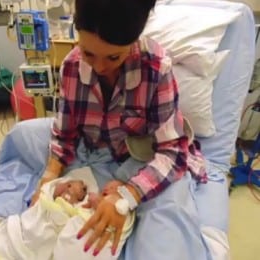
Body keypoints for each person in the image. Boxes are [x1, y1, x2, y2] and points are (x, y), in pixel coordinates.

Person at [29, 0, 210, 259]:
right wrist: (48, 178)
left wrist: (127, 194)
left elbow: (171, 151)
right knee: (19, 136)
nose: (99, 67)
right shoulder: (71, 67)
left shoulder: (157, 69)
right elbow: (64, 134)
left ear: (134, 40)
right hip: (90, 149)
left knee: (168, 223)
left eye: (113, 57)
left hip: (141, 157)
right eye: (88, 53)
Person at [0, 167, 135, 260]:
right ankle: (13, 242)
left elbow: (76, 220)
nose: (106, 188)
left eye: (113, 189)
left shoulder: (103, 203)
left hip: (74, 237)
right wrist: (63, 188)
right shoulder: (68, 190)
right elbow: (51, 194)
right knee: (34, 232)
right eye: (107, 187)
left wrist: (90, 203)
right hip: (48, 216)